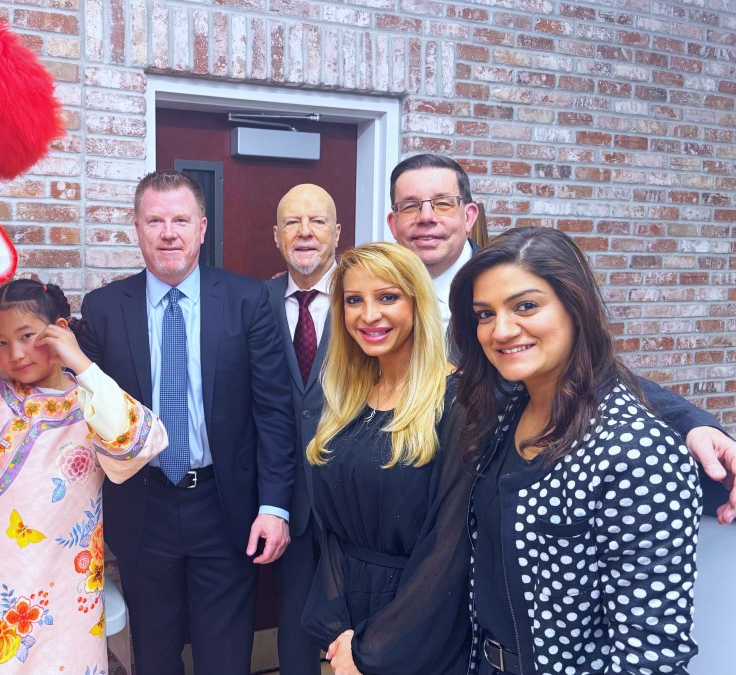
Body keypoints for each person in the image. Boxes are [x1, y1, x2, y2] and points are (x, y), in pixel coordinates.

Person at [386, 153, 736, 523]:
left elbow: (590, 370)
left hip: (479, 511)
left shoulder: (508, 279)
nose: (426, 217)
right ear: (393, 223)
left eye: (442, 203)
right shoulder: (369, 299)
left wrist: (693, 423)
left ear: (469, 217)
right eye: (410, 206)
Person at [451, 227, 701, 674]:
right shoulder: (502, 417)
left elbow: (650, 653)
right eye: (484, 314)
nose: (501, 330)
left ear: (575, 307)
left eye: (525, 306)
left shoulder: (636, 452)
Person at [77, 170, 297, 674]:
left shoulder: (247, 302)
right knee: (153, 653)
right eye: (155, 220)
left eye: (180, 220)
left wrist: (275, 507)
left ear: (201, 228)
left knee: (225, 653)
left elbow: (274, 412)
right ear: (137, 228)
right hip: (142, 506)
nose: (168, 232)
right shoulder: (106, 309)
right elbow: (81, 407)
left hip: (225, 507)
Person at [0, 279, 167, 674]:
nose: (15, 353)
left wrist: (82, 365)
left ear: (60, 330)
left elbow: (141, 441)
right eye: (0, 342)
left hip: (66, 593)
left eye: (27, 336)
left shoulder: (92, 404)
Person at [302, 242, 472, 675]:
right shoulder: (347, 402)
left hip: (421, 626)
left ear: (417, 304)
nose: (369, 315)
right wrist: (342, 630)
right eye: (354, 300)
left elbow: (449, 550)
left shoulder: (459, 403)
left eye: (388, 297)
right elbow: (335, 533)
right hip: (350, 623)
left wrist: (374, 648)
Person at [264, 183, 340, 675]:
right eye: (293, 222)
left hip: (351, 488)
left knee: (361, 623)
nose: (305, 232)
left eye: (317, 221)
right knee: (292, 625)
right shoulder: (257, 301)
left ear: (337, 232)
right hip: (286, 494)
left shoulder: (368, 296)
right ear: (277, 235)